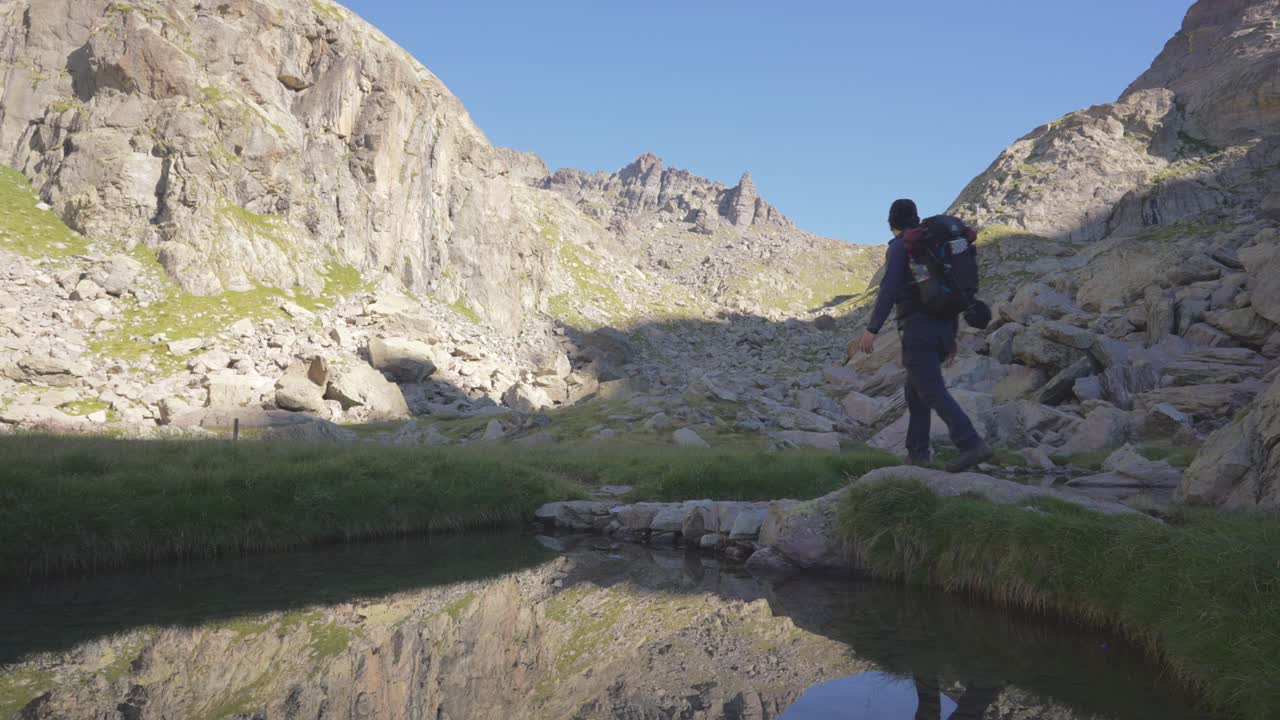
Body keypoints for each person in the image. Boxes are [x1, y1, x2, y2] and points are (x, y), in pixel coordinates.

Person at [855, 199, 992, 472]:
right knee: (915, 390)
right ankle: (917, 455)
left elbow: (889, 289)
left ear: (891, 223)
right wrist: (951, 338)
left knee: (930, 390)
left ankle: (970, 443)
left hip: (918, 332)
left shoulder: (900, 248)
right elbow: (950, 292)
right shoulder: (931, 249)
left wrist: (872, 330)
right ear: (915, 219)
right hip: (942, 330)